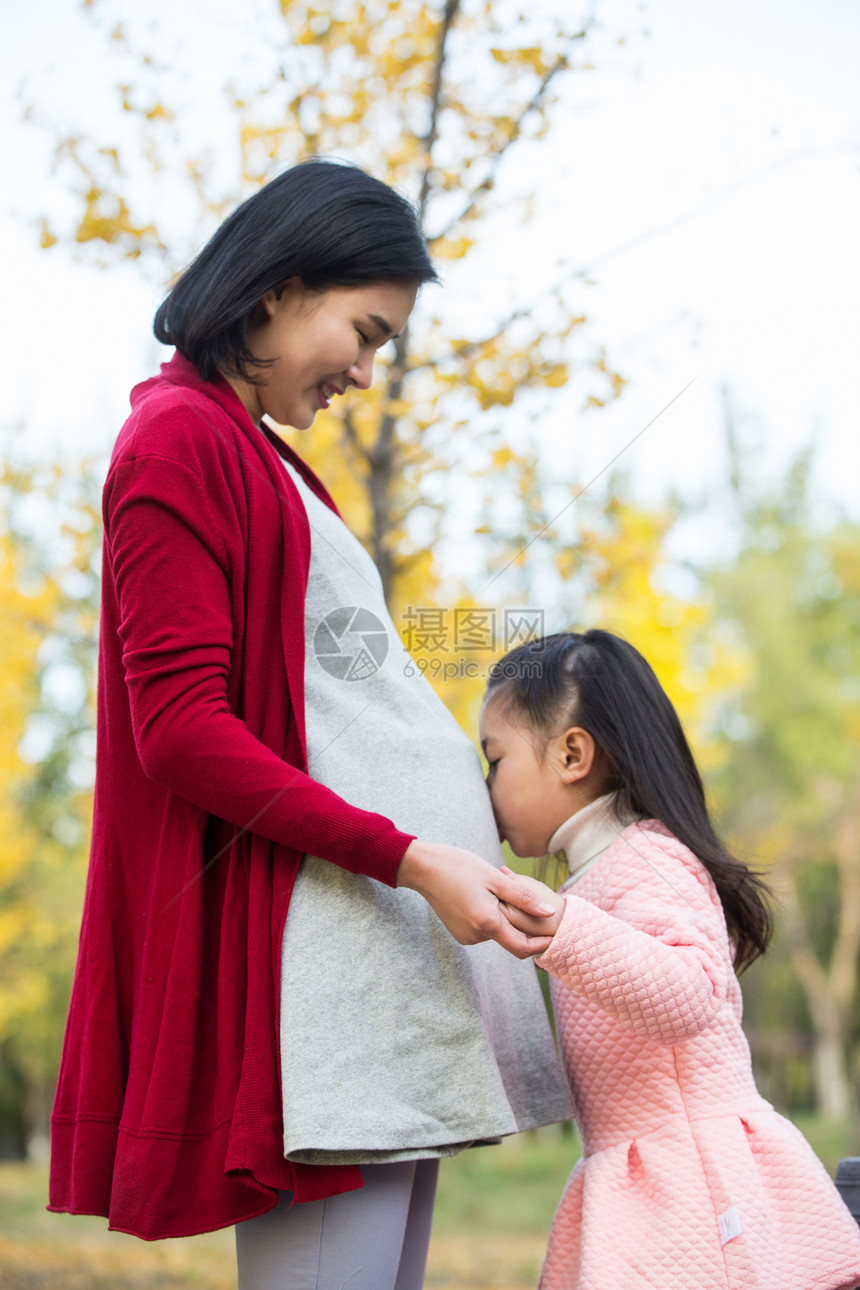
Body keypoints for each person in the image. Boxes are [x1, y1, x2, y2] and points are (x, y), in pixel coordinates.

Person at [48, 159, 573, 1290]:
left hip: (377, 954)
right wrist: (411, 854)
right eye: (365, 332)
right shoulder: (175, 446)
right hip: (324, 964)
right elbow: (181, 730)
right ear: (280, 289)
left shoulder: (260, 458)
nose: (366, 374)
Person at [479, 629, 860, 1290]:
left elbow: (690, 990)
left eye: (495, 761)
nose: (486, 789)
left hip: (698, 1186)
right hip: (644, 1179)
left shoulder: (649, 860)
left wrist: (564, 930)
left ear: (572, 754)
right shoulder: (591, 879)